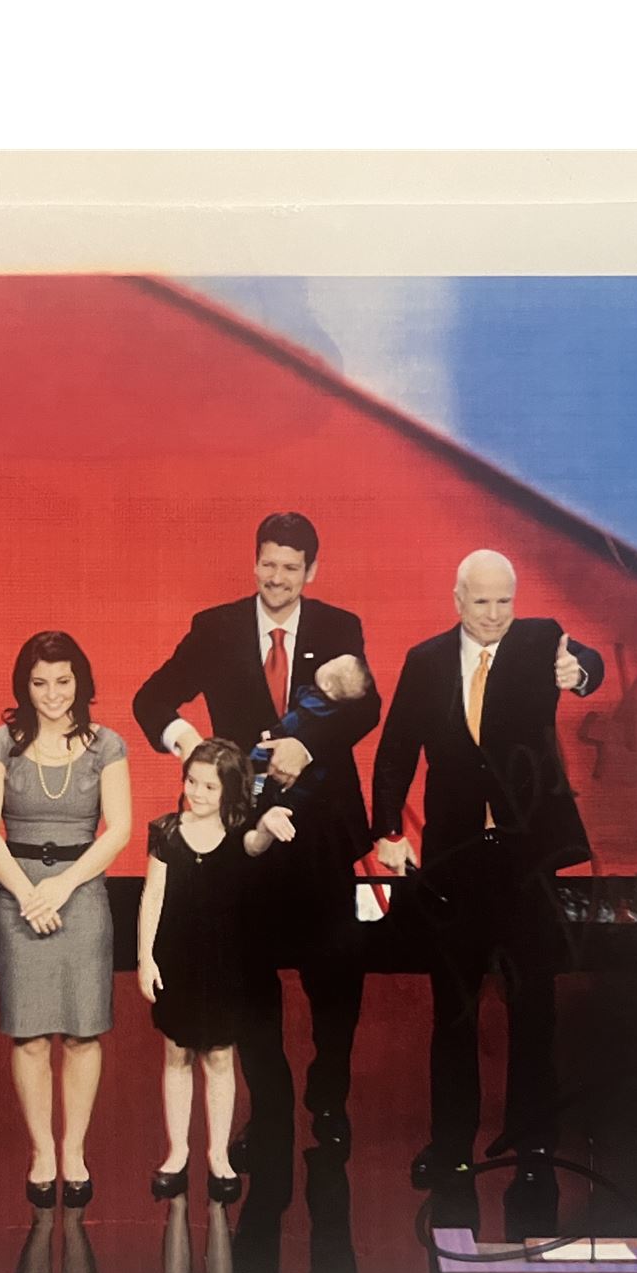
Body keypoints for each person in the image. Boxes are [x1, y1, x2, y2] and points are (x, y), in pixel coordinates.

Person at [133, 511, 380, 1166]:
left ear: (311, 571)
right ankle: (268, 1112)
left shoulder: (339, 627)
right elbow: (151, 699)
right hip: (242, 836)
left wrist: (308, 743)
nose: (277, 577)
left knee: (335, 976)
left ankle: (328, 1101)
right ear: (254, 562)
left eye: (291, 567)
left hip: (323, 833)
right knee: (248, 979)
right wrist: (193, 746)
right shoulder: (214, 628)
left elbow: (367, 706)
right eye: (268, 563)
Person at [371, 549, 604, 1218]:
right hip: (455, 861)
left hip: (527, 862)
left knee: (534, 1008)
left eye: (505, 600)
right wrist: (387, 831)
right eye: (482, 602)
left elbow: (586, 662)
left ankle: (534, 1146)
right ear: (457, 600)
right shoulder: (425, 661)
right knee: (454, 1011)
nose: (496, 614)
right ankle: (450, 1146)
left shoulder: (538, 640)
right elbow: (395, 753)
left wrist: (581, 671)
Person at [0, 631, 132, 1209]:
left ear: (80, 682)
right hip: (18, 898)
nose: (52, 693)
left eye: (63, 681)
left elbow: (119, 828)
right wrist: (26, 894)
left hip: (82, 896)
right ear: (25, 685)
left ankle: (75, 1151)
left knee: (83, 1031)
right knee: (31, 1033)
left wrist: (62, 886)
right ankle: (42, 1151)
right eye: (40, 683)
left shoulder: (107, 745)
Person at [137, 738, 297, 1205]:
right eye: (192, 782)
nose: (197, 792)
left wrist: (268, 822)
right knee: (177, 1055)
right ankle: (177, 1153)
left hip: (226, 963)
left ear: (229, 790)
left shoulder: (240, 831)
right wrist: (146, 958)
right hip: (177, 959)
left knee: (220, 1058)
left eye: (209, 786)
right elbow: (152, 896)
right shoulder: (166, 831)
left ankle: (218, 1155)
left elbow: (256, 844)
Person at [249, 652, 375, 810]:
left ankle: (256, 793)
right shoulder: (324, 705)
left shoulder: (311, 706)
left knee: (259, 760)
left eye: (330, 662)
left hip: (284, 754)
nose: (325, 661)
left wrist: (273, 734)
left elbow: (291, 723)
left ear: (327, 685)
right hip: (312, 778)